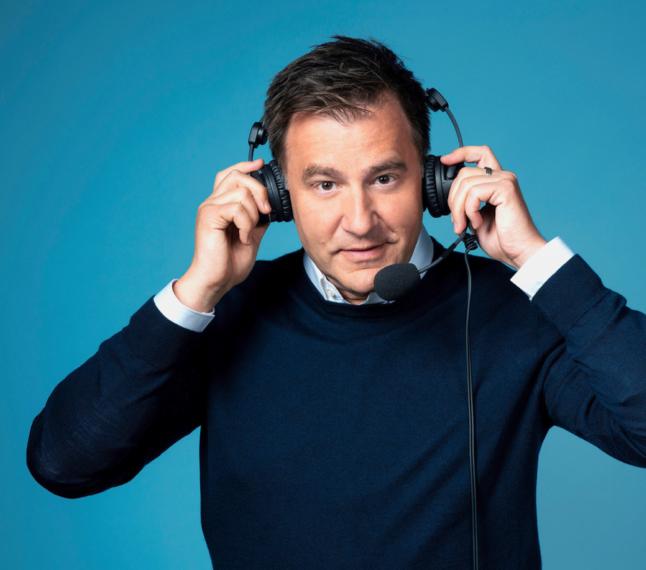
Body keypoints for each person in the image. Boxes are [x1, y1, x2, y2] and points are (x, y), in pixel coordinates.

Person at [26, 35, 646, 569]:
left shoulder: (519, 310)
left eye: (385, 178)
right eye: (325, 184)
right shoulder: (227, 316)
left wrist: (534, 258)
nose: (360, 220)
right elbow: (65, 463)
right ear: (276, 195)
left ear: (435, 180)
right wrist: (198, 290)